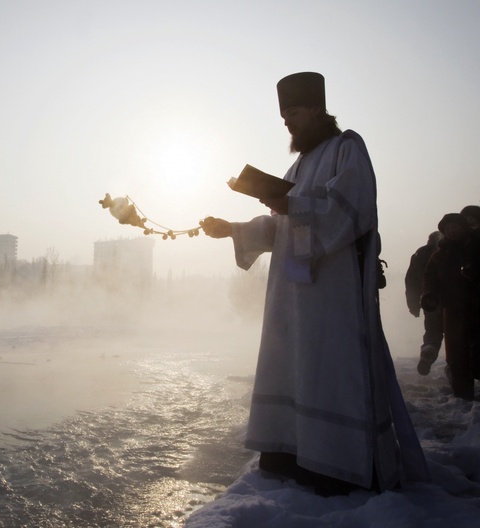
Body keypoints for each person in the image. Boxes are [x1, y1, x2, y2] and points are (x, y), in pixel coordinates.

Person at [201, 72, 429, 495]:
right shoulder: (298, 165)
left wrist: (293, 204)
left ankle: (338, 465)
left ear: (318, 109)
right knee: (295, 370)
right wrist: (232, 229)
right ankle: (289, 452)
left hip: (332, 295)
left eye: (294, 113)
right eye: (283, 115)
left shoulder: (348, 148)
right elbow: (281, 227)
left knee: (331, 372)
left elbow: (349, 211)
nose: (287, 121)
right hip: (292, 299)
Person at [421, 213, 479, 400]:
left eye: (455, 227)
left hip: (477, 307)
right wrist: (429, 295)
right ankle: (463, 394)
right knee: (456, 353)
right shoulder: (440, 255)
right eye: (448, 229)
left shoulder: (476, 247)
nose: (452, 231)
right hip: (453, 309)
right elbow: (430, 278)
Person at [405, 231, 443, 375]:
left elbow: (411, 281)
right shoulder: (451, 249)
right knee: (458, 335)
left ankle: (428, 351)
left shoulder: (420, 254)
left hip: (429, 301)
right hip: (453, 300)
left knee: (433, 332)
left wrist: (413, 304)